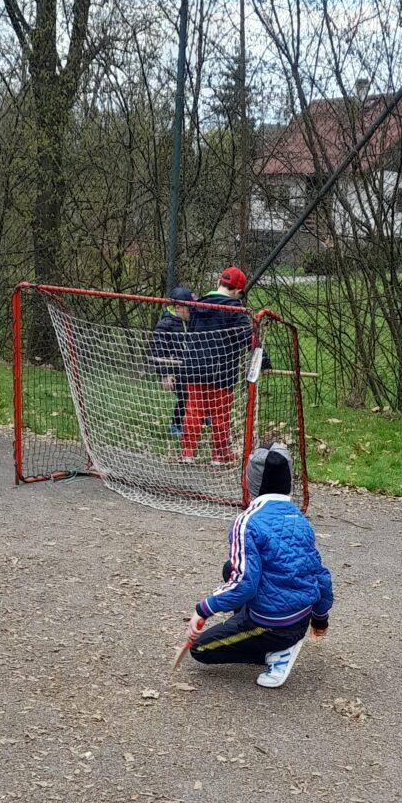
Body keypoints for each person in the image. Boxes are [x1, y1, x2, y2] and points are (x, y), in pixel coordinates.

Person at [184, 443, 332, 689]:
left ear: (251, 483)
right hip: (301, 618)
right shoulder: (300, 518)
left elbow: (245, 585)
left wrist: (203, 610)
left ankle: (275, 652)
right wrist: (320, 620)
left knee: (201, 649)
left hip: (273, 625)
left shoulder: (247, 522)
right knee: (229, 568)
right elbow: (321, 576)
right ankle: (270, 638)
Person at [181, 266, 252, 466]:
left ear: (218, 283)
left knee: (193, 411)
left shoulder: (197, 306)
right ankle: (219, 454)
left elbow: (192, 334)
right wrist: (261, 358)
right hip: (222, 371)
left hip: (195, 369)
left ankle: (187, 452)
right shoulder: (235, 310)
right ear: (238, 292)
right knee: (220, 414)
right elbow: (248, 338)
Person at [149, 285, 195, 440]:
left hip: (189, 367)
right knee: (185, 395)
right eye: (188, 308)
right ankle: (175, 423)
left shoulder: (189, 323)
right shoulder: (165, 325)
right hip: (173, 370)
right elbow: (158, 351)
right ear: (178, 307)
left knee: (197, 393)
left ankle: (202, 416)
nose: (191, 311)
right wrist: (165, 374)